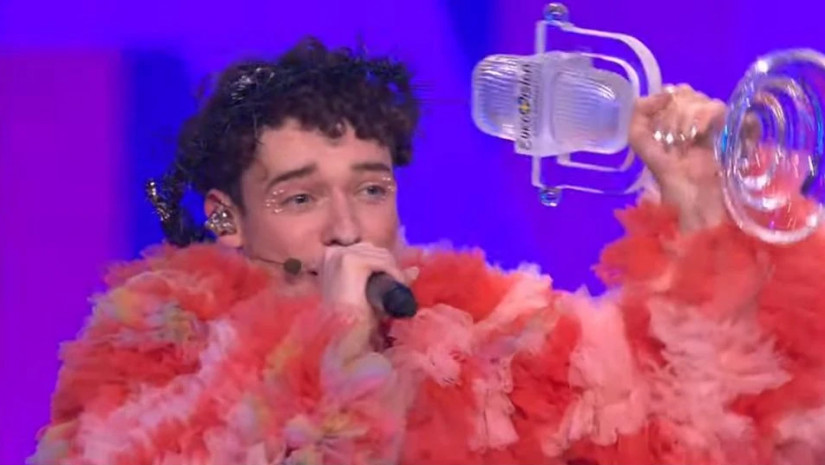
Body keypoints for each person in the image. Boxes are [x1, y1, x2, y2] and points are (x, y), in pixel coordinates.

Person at [30, 38, 825, 465]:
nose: (347, 226)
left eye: (370, 188)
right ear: (225, 218)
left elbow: (701, 437)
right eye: (300, 198)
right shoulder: (152, 352)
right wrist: (333, 352)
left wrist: (700, 209)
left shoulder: (486, 330)